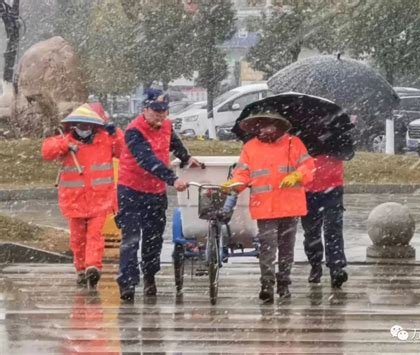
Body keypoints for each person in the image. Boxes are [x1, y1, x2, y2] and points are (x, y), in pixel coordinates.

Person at [116, 88, 201, 301]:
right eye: (155, 111)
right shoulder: (134, 131)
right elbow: (147, 160)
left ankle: (150, 277)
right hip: (131, 190)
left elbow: (174, 144)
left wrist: (187, 158)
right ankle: (127, 283)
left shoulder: (167, 126)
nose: (160, 116)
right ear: (144, 109)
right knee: (131, 239)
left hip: (155, 192)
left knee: (154, 240)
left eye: (163, 111)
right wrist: (173, 179)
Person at [221, 111, 314, 303]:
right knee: (268, 247)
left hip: (290, 206)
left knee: (286, 248)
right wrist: (234, 185)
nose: (264, 129)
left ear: (278, 126)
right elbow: (242, 174)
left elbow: (308, 166)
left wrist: (297, 175)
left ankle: (284, 283)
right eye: (261, 126)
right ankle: (267, 284)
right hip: (265, 207)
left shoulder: (294, 144)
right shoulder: (250, 147)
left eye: (268, 125)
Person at [42, 103, 124, 288]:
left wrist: (116, 133)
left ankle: (92, 267)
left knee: (95, 236)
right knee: (78, 239)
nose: (84, 129)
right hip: (74, 200)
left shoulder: (106, 140)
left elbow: (124, 152)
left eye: (87, 125)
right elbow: (47, 151)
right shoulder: (65, 141)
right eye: (81, 125)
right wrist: (65, 145)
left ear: (95, 126)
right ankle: (81, 269)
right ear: (74, 125)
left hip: (99, 200)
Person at [301, 154, 348, 288]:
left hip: (333, 187)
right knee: (311, 232)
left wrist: (333, 145)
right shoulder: (302, 137)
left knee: (333, 228)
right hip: (308, 188)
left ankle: (336, 267)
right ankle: (315, 265)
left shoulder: (336, 134)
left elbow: (348, 153)